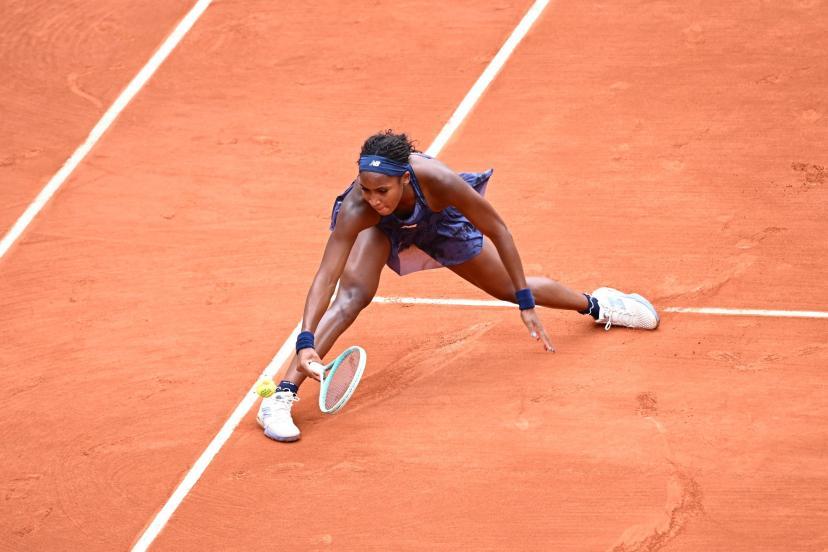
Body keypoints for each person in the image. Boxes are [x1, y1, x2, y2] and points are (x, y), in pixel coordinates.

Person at [257, 130, 658, 442]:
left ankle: (598, 304)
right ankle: (282, 395)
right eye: (366, 189)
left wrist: (523, 301)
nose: (374, 198)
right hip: (380, 234)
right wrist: (305, 340)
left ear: (404, 179)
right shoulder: (359, 209)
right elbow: (327, 274)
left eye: (382, 190)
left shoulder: (438, 181)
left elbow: (498, 229)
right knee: (352, 296)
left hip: (435, 221)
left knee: (504, 286)